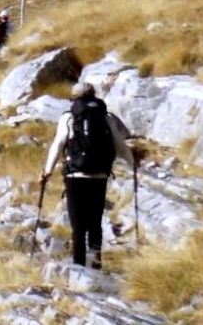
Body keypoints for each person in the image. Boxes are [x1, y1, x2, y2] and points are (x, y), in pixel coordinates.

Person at [40, 82, 134, 269]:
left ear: (74, 98)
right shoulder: (106, 117)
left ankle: (79, 269)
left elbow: (58, 144)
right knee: (95, 222)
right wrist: (133, 164)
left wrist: (47, 171)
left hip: (75, 176)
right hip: (99, 175)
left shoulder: (68, 116)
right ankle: (95, 264)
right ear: (93, 95)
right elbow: (120, 144)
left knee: (78, 226)